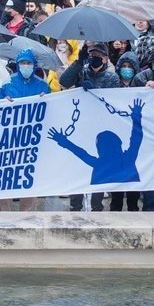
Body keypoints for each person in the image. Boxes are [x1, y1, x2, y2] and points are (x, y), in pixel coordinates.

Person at [59, 42, 120, 211]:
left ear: (106, 58)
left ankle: (96, 206)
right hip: (81, 126)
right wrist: (78, 63)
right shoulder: (82, 72)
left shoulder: (111, 77)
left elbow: (114, 103)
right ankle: (75, 206)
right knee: (77, 166)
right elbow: (64, 81)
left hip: (100, 128)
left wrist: (96, 91)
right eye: (91, 55)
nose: (94, 58)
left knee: (100, 166)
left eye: (98, 56)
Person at [0, 49, 51, 211]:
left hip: (32, 139)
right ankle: (4, 214)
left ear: (34, 66)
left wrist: (45, 101)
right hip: (8, 139)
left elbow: (51, 110)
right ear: (17, 65)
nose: (26, 66)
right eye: (22, 63)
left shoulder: (42, 85)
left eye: (29, 63)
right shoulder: (7, 83)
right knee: (4, 177)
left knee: (29, 177)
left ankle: (28, 216)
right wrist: (2, 102)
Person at [109, 51, 142, 211]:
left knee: (133, 191)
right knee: (116, 189)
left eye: (130, 67)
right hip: (116, 137)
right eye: (124, 66)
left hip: (131, 135)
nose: (126, 69)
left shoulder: (141, 87)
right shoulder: (112, 85)